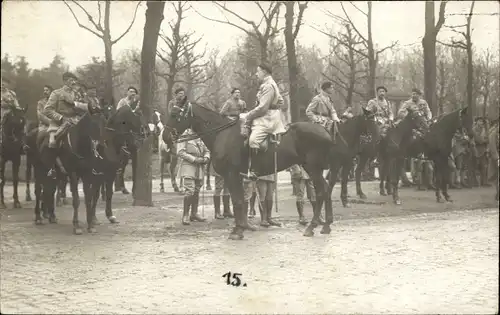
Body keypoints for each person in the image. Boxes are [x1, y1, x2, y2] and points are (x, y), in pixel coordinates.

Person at [242, 63, 286, 179]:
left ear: (265, 72)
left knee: (253, 140)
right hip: (268, 115)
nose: (256, 74)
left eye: (258, 71)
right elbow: (281, 101)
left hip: (267, 118)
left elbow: (262, 108)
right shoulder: (271, 84)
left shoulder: (268, 86)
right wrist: (274, 104)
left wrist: (248, 115)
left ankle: (255, 170)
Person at [42, 72, 88, 178]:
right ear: (64, 81)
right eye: (70, 80)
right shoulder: (56, 93)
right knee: (52, 141)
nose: (73, 82)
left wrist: (76, 104)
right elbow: (47, 110)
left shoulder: (78, 95)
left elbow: (86, 107)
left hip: (76, 122)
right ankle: (52, 168)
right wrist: (61, 118)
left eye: (74, 80)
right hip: (59, 123)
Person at [398, 88, 434, 190]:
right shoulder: (407, 103)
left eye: (416, 94)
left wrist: (429, 119)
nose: (414, 95)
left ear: (419, 95)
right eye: (412, 94)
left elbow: (428, 112)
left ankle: (427, 179)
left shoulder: (423, 102)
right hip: (411, 125)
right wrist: (409, 115)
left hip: (422, 124)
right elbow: (400, 113)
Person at [177, 128, 210, 225]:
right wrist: (194, 159)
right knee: (189, 191)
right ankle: (185, 215)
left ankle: (194, 213)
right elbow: (180, 152)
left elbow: (207, 149)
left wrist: (206, 157)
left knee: (197, 190)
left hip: (199, 167)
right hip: (188, 166)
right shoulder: (184, 136)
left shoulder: (200, 135)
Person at [1, 76, 24, 146]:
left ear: (7, 84)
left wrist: (19, 108)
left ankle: (22, 142)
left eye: (3, 84)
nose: (2, 86)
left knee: (21, 121)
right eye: (1, 84)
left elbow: (16, 103)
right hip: (2, 111)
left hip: (11, 112)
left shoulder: (12, 93)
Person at [472, 117, 490, 187]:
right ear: (476, 122)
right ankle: (475, 182)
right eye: (480, 121)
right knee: (476, 167)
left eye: (482, 121)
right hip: (476, 150)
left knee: (484, 167)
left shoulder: (484, 129)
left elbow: (488, 139)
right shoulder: (474, 130)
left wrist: (484, 140)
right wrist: (484, 140)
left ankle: (484, 182)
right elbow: (478, 140)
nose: (481, 123)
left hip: (483, 150)